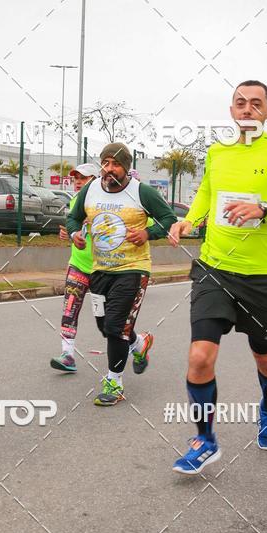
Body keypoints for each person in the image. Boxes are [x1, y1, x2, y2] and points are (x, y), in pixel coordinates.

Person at [168, 80, 267, 474]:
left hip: (261, 278)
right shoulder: (217, 151)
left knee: (266, 360)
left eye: (255, 104)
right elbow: (206, 194)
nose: (247, 109)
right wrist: (189, 220)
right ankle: (205, 440)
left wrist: (265, 210)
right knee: (200, 355)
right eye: (239, 103)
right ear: (231, 109)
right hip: (214, 268)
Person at [66, 142, 177, 405]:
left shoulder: (141, 192)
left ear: (126, 168)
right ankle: (139, 343)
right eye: (106, 163)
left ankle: (114, 382)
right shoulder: (91, 189)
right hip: (100, 270)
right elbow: (73, 217)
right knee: (105, 327)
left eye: (116, 164)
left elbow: (168, 219)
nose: (110, 169)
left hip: (133, 270)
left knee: (115, 327)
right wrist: (74, 234)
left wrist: (148, 233)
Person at [50, 163, 100, 373]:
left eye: (83, 178)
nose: (78, 182)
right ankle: (68, 355)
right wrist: (68, 235)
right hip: (78, 264)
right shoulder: (73, 201)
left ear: (95, 181)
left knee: (106, 319)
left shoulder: (103, 202)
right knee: (70, 308)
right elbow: (75, 228)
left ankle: (136, 344)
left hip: (102, 268)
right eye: (75, 178)